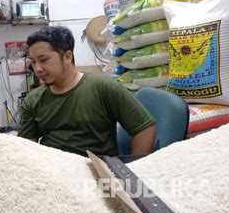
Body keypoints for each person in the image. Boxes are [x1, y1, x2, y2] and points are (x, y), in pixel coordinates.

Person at [18, 26, 156, 157]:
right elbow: (27, 147)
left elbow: (144, 128)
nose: (37, 69)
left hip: (95, 171)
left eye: (43, 60)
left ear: (67, 57)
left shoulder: (103, 87)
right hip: (54, 171)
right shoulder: (33, 100)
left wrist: (131, 172)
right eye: (33, 62)